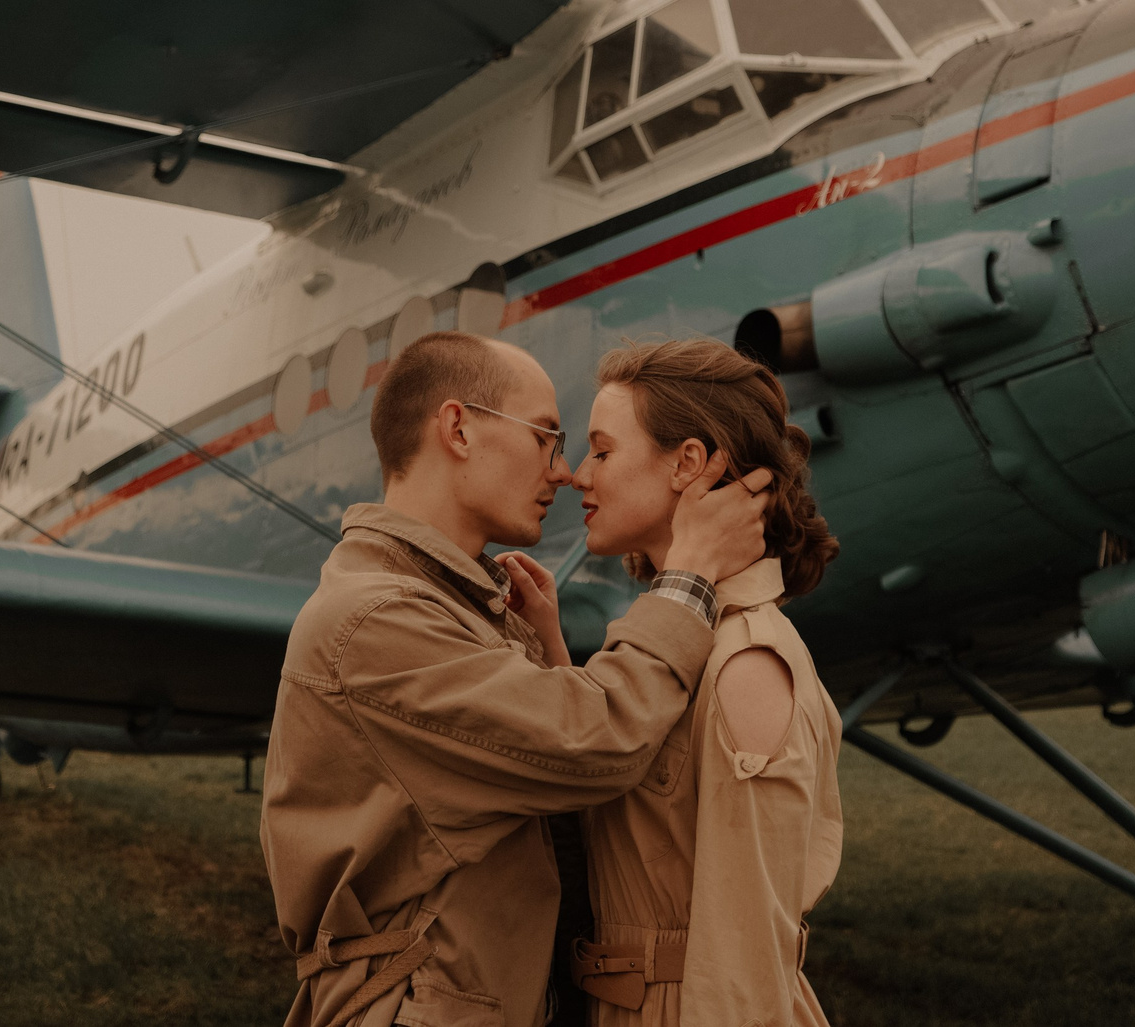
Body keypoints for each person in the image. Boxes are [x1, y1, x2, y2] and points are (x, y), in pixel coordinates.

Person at [262, 329, 776, 1027]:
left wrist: (546, 651)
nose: (565, 472)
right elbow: (596, 741)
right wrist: (689, 577)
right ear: (458, 428)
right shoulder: (377, 620)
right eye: (545, 436)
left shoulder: (436, 602)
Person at [540, 338, 844, 1027]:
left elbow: (741, 955)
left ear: (689, 463)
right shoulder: (691, 645)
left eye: (604, 450)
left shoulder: (746, 664)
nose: (579, 476)